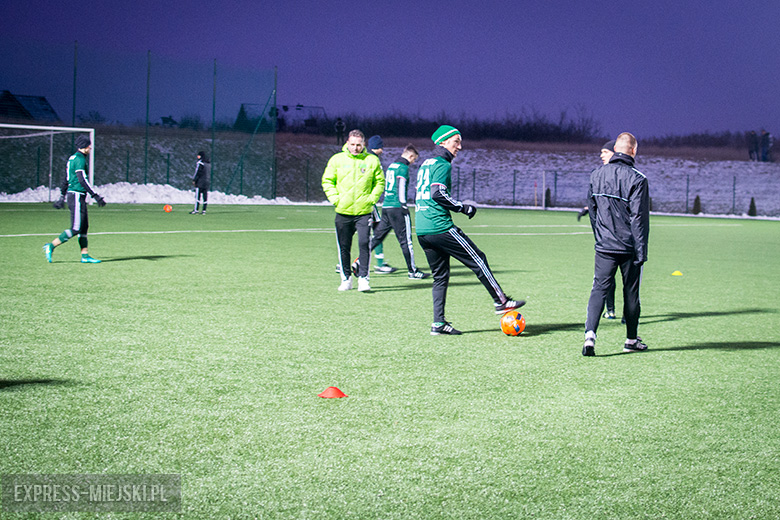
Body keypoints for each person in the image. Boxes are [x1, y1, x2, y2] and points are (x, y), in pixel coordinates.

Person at [415, 125, 524, 335]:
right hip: (439, 226)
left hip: (422, 229)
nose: (460, 146)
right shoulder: (442, 164)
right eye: (456, 141)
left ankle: (438, 323)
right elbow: (437, 193)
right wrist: (462, 207)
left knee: (440, 277)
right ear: (443, 142)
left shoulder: (426, 164)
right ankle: (501, 301)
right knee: (479, 259)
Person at [582, 132, 649, 356]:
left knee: (598, 289)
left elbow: (592, 211)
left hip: (604, 246)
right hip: (629, 247)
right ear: (633, 150)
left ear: (615, 150)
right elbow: (638, 219)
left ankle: (589, 336)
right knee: (631, 293)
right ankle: (631, 340)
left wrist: (599, 236)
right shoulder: (638, 179)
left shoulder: (596, 174)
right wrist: (641, 251)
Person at [322, 129, 384, 292]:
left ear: (364, 144)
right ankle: (346, 279)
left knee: (364, 244)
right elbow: (327, 181)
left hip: (364, 212)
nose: (355, 148)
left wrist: (372, 199)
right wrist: (336, 199)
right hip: (343, 211)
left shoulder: (372, 160)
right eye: (352, 144)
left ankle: (363, 278)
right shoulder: (337, 160)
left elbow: (380, 182)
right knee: (344, 246)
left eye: (359, 145)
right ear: (347, 144)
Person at [365, 144, 429, 279]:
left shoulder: (392, 166)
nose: (413, 162)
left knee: (377, 237)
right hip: (397, 208)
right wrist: (403, 206)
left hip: (387, 207)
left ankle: (359, 262)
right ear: (410, 155)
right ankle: (412, 271)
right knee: (406, 241)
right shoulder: (403, 168)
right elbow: (401, 186)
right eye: (414, 159)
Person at [43, 134, 106, 264]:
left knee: (84, 227)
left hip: (76, 196)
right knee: (76, 227)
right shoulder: (80, 159)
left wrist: (62, 196)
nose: (90, 148)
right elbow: (82, 179)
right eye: (89, 146)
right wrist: (95, 195)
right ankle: (51, 245)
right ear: (85, 147)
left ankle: (85, 255)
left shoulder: (72, 158)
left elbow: (66, 179)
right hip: (76, 195)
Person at [577, 140, 619, 320]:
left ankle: (627, 314)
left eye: (605, 152)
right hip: (605, 235)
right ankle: (610, 309)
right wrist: (588, 208)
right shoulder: (599, 174)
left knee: (623, 277)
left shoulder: (622, 175)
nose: (601, 155)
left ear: (615, 152)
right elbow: (598, 198)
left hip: (620, 235)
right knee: (607, 275)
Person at [366, 134, 397, 274]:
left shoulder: (364, 158)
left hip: (361, 201)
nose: (382, 150)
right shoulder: (372, 160)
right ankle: (379, 264)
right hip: (367, 203)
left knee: (353, 232)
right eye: (380, 147)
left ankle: (343, 263)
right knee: (377, 231)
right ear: (375, 148)